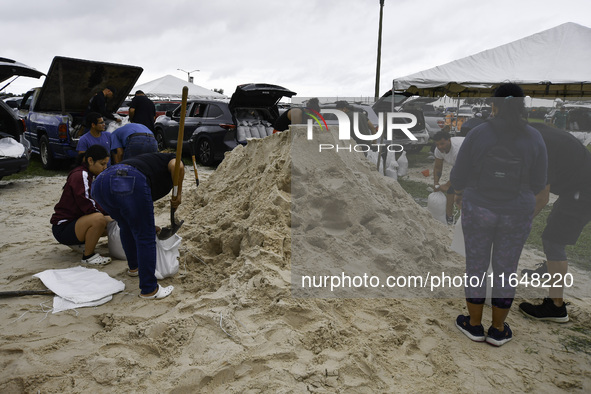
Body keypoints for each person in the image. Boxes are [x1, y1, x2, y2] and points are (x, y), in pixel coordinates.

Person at [450, 83, 548, 346]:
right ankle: (498, 328)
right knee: (506, 270)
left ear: (494, 105)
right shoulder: (534, 137)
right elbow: (539, 182)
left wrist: (462, 192)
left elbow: (458, 175)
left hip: (479, 209)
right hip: (516, 213)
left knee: (476, 267)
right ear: (521, 106)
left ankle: (473, 325)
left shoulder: (478, 133)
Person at [518, 122, 591, 322]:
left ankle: (556, 306)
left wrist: (517, 226)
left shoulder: (539, 145)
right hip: (574, 187)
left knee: (554, 241)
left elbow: (542, 197)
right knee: (553, 222)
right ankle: (550, 268)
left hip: (584, 191)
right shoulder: (534, 131)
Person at [91, 152, 184, 299]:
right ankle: (149, 289)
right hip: (127, 179)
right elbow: (177, 165)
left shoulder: (146, 161)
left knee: (125, 224)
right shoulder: (169, 158)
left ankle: (134, 268)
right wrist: (178, 194)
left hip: (99, 184)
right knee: (145, 236)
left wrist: (144, 222)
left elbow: (134, 212)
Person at [50, 145, 113, 265]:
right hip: (63, 228)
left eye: (106, 164)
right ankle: (88, 256)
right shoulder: (81, 175)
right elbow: (87, 204)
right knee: (99, 219)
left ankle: (82, 244)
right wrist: (109, 216)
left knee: (110, 223)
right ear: (90, 160)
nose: (105, 168)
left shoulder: (89, 175)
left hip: (75, 223)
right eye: (102, 164)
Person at [432, 130, 465, 224]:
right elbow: (438, 167)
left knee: (465, 191)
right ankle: (449, 217)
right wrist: (436, 183)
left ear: (449, 140)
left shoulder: (458, 149)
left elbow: (462, 171)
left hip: (475, 163)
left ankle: (466, 218)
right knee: (451, 189)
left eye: (442, 144)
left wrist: (447, 184)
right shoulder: (438, 150)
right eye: (437, 144)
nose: (440, 147)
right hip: (460, 166)